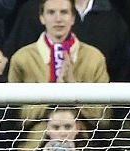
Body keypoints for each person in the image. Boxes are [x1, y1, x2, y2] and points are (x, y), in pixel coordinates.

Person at [7, 0, 110, 138]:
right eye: (51, 12)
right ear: (41, 17)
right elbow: (13, 118)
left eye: (64, 12)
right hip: (34, 147)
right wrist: (54, 92)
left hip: (83, 146)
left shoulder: (94, 57)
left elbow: (105, 119)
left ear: (73, 18)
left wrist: (74, 88)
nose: (58, 19)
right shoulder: (22, 59)